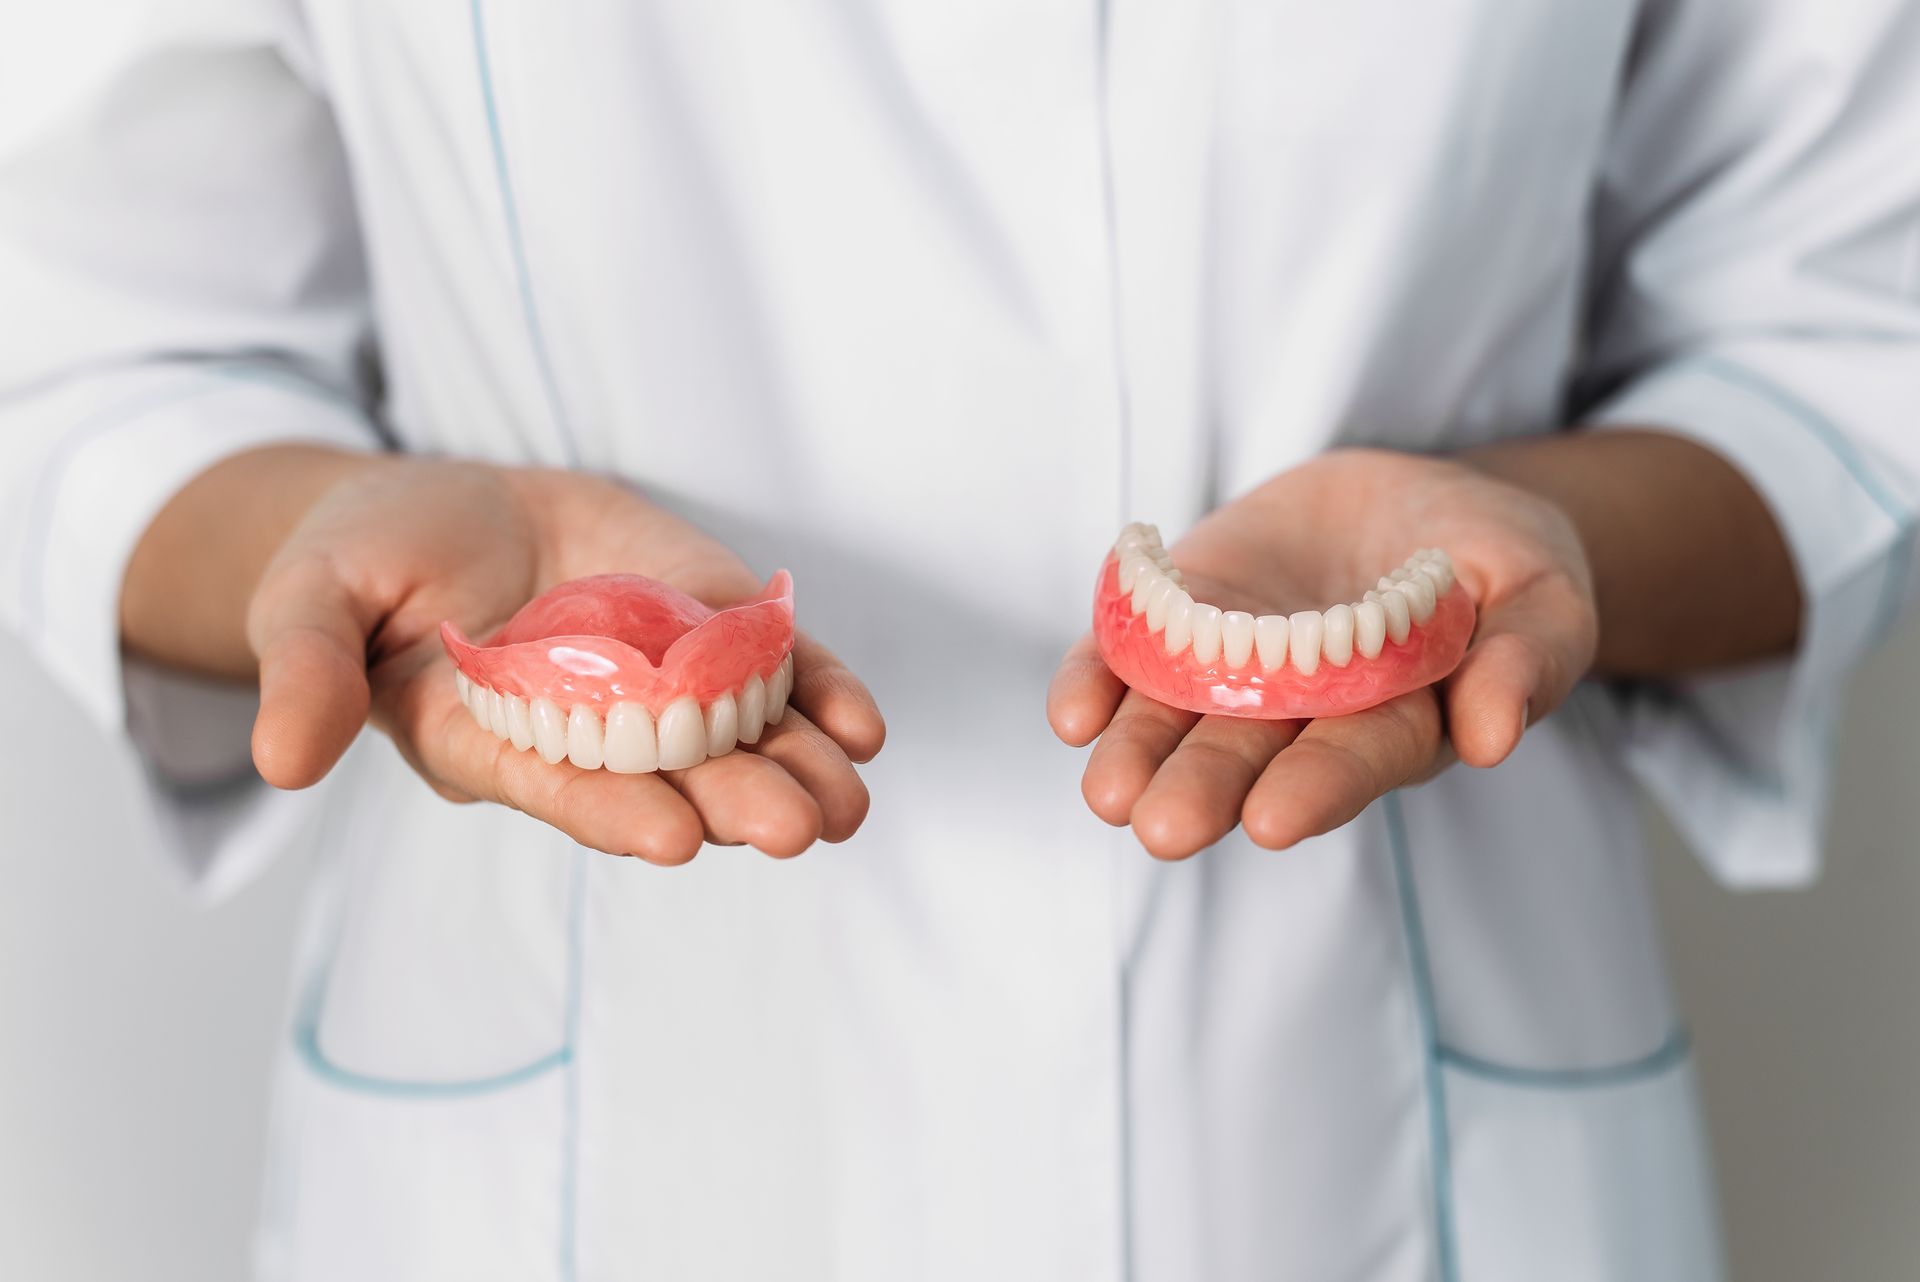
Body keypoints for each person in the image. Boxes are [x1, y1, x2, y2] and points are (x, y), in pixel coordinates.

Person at [2, 2, 1915, 1279]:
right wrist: (317, 550)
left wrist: (1553, 538)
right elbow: (100, 345)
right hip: (584, 1169)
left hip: (1369, 1161)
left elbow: (1846, 329)